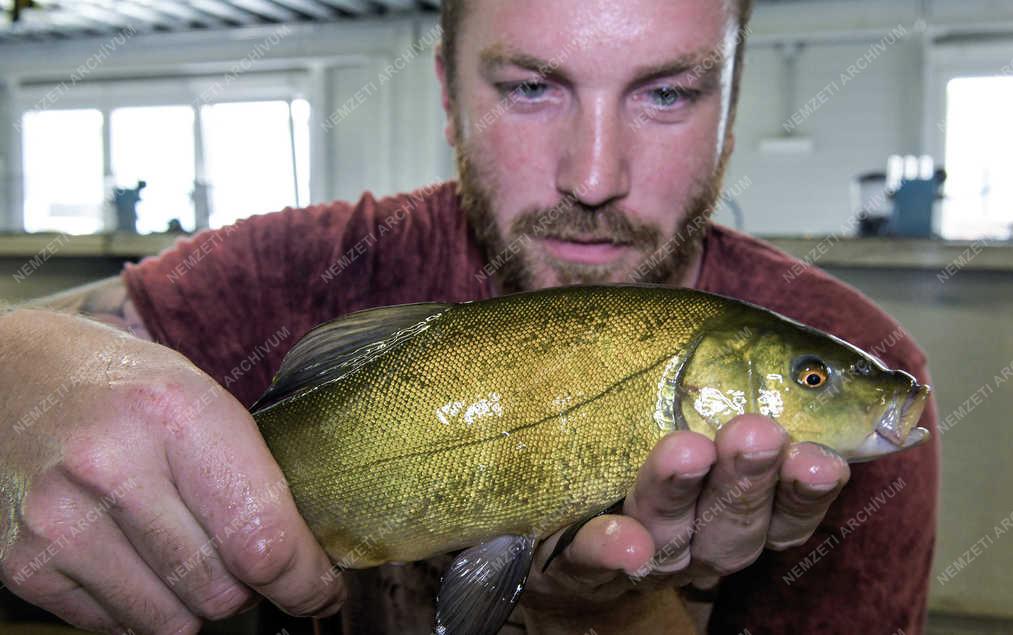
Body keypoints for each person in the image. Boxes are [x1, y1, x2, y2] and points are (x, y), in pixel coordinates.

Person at [0, 0, 938, 633]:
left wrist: (624, 619)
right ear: (449, 98)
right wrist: (15, 365)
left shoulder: (871, 372)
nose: (594, 177)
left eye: (667, 92)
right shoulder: (299, 270)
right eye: (530, 87)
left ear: (730, 113)